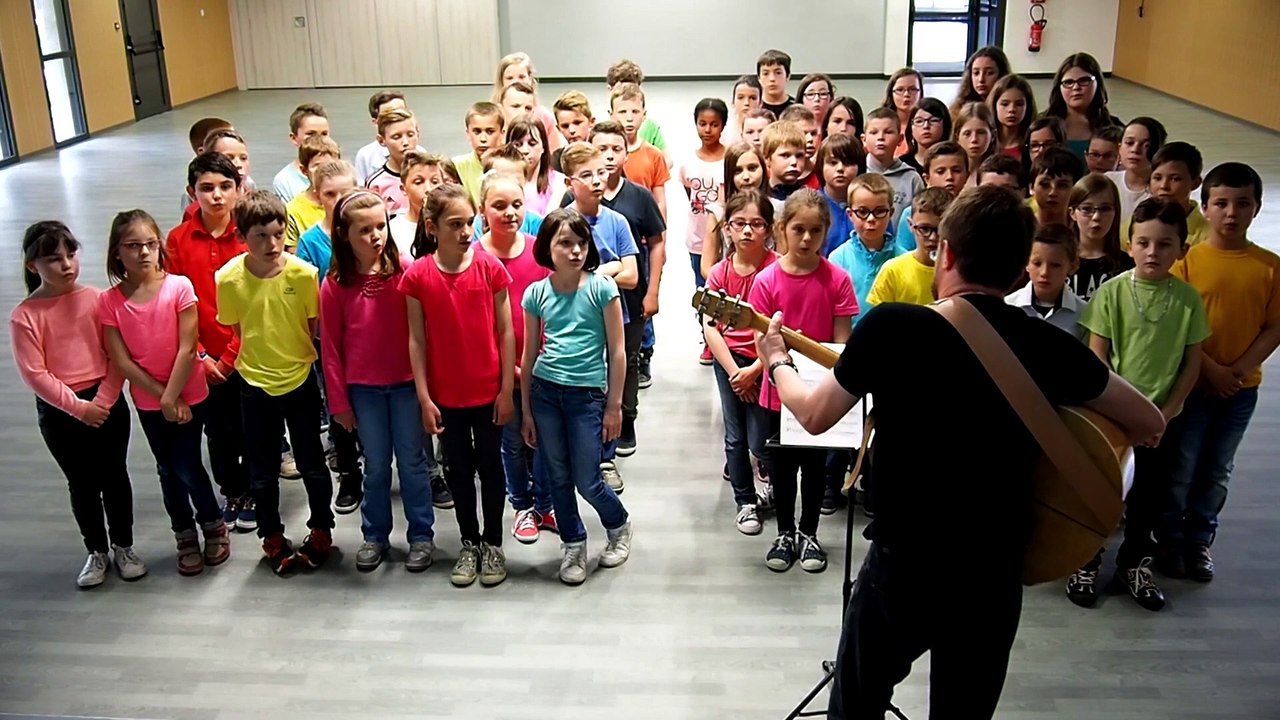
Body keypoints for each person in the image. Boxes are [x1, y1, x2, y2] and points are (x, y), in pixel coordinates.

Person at [756, 184, 1164, 719]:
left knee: (858, 701)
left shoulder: (893, 326)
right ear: (1020, 271)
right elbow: (1149, 423)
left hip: (907, 561)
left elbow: (812, 415)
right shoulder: (1048, 345)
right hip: (994, 568)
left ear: (945, 253)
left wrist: (777, 359)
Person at [1064, 198, 1209, 611]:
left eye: (1164, 244)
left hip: (1163, 423)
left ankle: (1135, 565)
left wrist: (1161, 416)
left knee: (1149, 498)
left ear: (1181, 248)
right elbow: (1097, 361)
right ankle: (1086, 561)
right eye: (1143, 242)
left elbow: (1192, 363)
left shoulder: (1187, 300)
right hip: (1112, 421)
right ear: (1129, 244)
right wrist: (1123, 416)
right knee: (1103, 493)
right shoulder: (1111, 293)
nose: (1152, 252)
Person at [1162, 162, 1280, 582]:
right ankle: (1170, 539)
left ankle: (1199, 541)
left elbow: (1273, 326)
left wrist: (1239, 370)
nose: (1231, 213)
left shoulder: (1269, 266)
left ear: (1257, 209)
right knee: (1183, 463)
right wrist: (1210, 369)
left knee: (1217, 468)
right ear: (1205, 208)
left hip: (1240, 390)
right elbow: (1175, 322)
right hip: (1195, 383)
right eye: (1222, 204)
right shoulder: (1188, 261)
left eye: (1242, 204)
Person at [11, 221, 142, 589]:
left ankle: (123, 546)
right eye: (54, 258)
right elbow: (35, 374)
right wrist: (78, 408)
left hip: (106, 402)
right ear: (32, 265)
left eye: (71, 255)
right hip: (61, 413)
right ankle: (96, 550)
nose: (67, 264)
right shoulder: (25, 316)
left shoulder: (97, 299)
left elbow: (117, 355)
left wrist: (103, 399)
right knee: (82, 483)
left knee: (115, 476)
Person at [100, 210, 228, 577]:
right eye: (133, 246)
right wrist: (162, 397)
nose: (143, 252)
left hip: (189, 392)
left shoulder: (179, 287)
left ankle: (212, 523)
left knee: (186, 463)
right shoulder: (109, 302)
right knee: (167, 469)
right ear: (117, 252)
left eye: (150, 244)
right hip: (150, 400)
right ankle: (183, 531)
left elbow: (188, 348)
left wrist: (174, 396)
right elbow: (121, 360)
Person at [401, 184, 515, 588]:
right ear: (432, 228)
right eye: (455, 224)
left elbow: (505, 330)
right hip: (446, 396)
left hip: (487, 392)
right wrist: (423, 396)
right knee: (459, 471)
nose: (466, 231)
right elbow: (416, 339)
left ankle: (494, 542)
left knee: (490, 465)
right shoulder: (417, 276)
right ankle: (470, 542)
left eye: (470, 222)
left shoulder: (489, 268)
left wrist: (505, 389)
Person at [215, 190, 334, 575]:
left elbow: (310, 326)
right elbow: (236, 328)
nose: (271, 244)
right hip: (254, 385)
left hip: (299, 380)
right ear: (242, 237)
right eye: (260, 236)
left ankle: (320, 528)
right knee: (262, 469)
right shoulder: (228, 278)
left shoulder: (304, 274)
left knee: (313, 463)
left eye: (277, 234)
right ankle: (272, 535)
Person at [320, 190, 435, 573]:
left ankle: (421, 535)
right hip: (364, 391)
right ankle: (375, 535)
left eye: (380, 227)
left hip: (404, 385)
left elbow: (422, 332)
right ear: (344, 234)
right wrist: (339, 403)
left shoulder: (403, 269)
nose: (375, 236)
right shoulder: (335, 284)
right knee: (376, 466)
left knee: (414, 463)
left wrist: (425, 389)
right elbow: (331, 349)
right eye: (364, 229)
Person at [520, 208, 633, 585]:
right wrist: (526, 412)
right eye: (564, 243)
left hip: (587, 396)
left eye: (581, 243)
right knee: (556, 476)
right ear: (547, 249)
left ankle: (617, 525)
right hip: (546, 392)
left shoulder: (603, 288)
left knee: (588, 478)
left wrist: (614, 406)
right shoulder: (536, 293)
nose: (575, 251)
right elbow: (529, 353)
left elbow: (618, 352)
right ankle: (573, 542)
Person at [750, 189, 857, 573]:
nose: (807, 239)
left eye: (816, 230)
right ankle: (784, 531)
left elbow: (841, 344)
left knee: (814, 469)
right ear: (782, 230)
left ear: (827, 231)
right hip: (777, 393)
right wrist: (778, 368)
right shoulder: (766, 281)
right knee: (782, 467)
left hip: (822, 392)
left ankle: (809, 532)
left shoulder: (838, 279)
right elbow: (761, 341)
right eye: (799, 230)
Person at [165, 152, 254, 527]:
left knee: (252, 427)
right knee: (218, 432)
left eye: (225, 187)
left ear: (238, 190)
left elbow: (254, 301)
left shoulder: (250, 234)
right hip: (201, 357)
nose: (217, 195)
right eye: (207, 188)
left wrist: (231, 354)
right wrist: (201, 355)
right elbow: (172, 301)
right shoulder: (177, 240)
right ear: (192, 192)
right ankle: (231, 491)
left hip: (248, 352)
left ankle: (253, 490)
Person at [474, 173, 556, 544]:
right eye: (499, 205)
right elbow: (480, 323)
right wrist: (512, 369)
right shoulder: (475, 258)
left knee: (542, 435)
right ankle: (521, 505)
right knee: (510, 439)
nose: (510, 213)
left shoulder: (539, 251)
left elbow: (552, 308)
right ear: (482, 210)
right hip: (500, 370)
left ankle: (545, 503)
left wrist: (540, 361)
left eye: (517, 204)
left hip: (542, 366)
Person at [574, 124, 666, 451]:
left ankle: (626, 419)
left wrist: (652, 290)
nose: (609, 156)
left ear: (627, 152)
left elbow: (655, 245)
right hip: (583, 307)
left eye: (616, 148)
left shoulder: (638, 198)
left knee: (625, 359)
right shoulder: (570, 204)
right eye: (602, 149)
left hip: (630, 301)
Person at [560, 142, 640, 490]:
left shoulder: (617, 222)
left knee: (610, 388)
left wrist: (595, 274)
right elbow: (558, 272)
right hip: (572, 323)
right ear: (569, 182)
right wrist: (608, 267)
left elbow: (632, 275)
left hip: (611, 321)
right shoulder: (563, 222)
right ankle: (577, 453)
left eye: (601, 173)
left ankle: (605, 458)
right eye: (586, 175)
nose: (596, 181)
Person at [703, 191, 777, 536]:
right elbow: (709, 326)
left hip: (767, 363)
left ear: (769, 228)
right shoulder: (719, 273)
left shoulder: (777, 268)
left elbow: (783, 328)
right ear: (728, 229)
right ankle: (745, 500)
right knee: (735, 436)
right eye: (739, 224)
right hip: (730, 363)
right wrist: (735, 371)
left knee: (763, 437)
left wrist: (755, 370)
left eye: (756, 224)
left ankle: (774, 489)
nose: (747, 231)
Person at [699, 142, 779, 280]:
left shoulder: (778, 210)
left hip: (768, 288)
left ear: (764, 169)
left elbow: (782, 262)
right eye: (738, 171)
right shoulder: (718, 213)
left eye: (752, 168)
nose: (746, 176)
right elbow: (706, 266)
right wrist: (726, 282)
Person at [867, 187, 952, 307]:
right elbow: (880, 321)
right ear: (911, 225)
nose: (933, 238)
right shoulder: (893, 271)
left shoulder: (960, 273)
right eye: (924, 229)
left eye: (940, 229)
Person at [830, 174, 898, 319]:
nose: (871, 219)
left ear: (891, 213)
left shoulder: (902, 258)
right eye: (862, 212)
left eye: (879, 211)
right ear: (850, 214)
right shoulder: (838, 259)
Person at [1005, 222, 1087, 340]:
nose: (1044, 272)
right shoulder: (1008, 306)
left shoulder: (1083, 314)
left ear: (1073, 266)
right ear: (1026, 262)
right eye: (1037, 263)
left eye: (1055, 265)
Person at [679, 99, 728, 287]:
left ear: (722, 125)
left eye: (714, 124)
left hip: (726, 239)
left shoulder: (731, 158)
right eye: (702, 124)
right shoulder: (688, 162)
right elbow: (689, 193)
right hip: (697, 239)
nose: (708, 130)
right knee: (704, 290)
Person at [1068, 173, 1132, 301]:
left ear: (1115, 211)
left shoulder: (1127, 266)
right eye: (1087, 209)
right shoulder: (1059, 262)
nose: (1096, 217)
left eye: (1105, 209)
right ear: (1072, 213)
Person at [893, 141, 967, 253]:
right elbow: (902, 253)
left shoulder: (972, 214)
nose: (949, 177)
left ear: (967, 175)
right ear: (927, 178)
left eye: (956, 171)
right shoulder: (912, 213)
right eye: (941, 172)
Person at [1043, 52, 1118, 160]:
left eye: (1084, 80)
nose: (1076, 87)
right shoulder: (1044, 125)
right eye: (1068, 82)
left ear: (1097, 83)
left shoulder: (1113, 126)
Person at [611, 83, 669, 219]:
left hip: (643, 228)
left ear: (644, 115)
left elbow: (660, 201)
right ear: (612, 115)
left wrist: (662, 234)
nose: (629, 118)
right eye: (622, 112)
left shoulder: (654, 155)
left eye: (635, 112)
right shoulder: (602, 154)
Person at [862, 107, 923, 220]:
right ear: (864, 139)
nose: (880, 137)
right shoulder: (857, 172)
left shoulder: (912, 178)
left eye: (888, 132)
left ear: (900, 139)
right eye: (874, 132)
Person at [493, 52, 560, 152]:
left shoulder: (544, 116)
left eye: (521, 77)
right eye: (509, 78)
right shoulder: (493, 116)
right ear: (501, 81)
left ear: (530, 78)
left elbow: (554, 153)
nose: (516, 81)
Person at [284, 135, 341, 251]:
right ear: (304, 170)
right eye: (318, 166)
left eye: (331, 166)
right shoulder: (292, 210)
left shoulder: (349, 202)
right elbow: (295, 258)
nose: (326, 172)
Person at [1147, 142, 1208, 248]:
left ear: (1195, 183)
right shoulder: (1132, 224)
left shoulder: (1208, 236)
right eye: (1157, 178)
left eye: (1175, 179)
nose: (1164, 186)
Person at [388, 151, 450, 255]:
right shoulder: (392, 230)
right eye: (418, 182)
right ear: (403, 189)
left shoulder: (452, 226)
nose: (429, 189)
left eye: (435, 182)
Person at [1105, 117, 1167, 220]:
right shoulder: (1108, 181)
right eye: (1129, 143)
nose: (1135, 150)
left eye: (1146, 145)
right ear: (1119, 148)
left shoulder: (1162, 191)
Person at [604, 58, 667, 155]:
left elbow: (667, 159)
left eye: (633, 88)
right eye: (621, 88)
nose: (627, 93)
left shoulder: (650, 126)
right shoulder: (601, 129)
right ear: (609, 89)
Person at [507, 115, 566, 217]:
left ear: (543, 147)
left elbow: (548, 224)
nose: (525, 151)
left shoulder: (559, 181)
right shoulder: (499, 183)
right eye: (518, 144)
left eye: (532, 143)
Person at [365, 108, 420, 215]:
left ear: (418, 134)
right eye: (396, 137)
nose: (405, 142)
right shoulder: (376, 183)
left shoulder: (432, 174)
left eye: (410, 134)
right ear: (381, 140)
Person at [816, 133, 864, 257]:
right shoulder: (811, 205)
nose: (840, 169)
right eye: (833, 163)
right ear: (821, 166)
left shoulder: (871, 205)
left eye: (848, 163)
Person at [272, 103, 330, 202]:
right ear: (294, 138)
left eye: (324, 134)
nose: (319, 140)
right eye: (310, 134)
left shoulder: (342, 172)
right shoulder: (283, 181)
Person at [453, 101, 505, 204]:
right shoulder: (456, 166)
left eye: (490, 131)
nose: (483, 139)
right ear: (468, 133)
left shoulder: (511, 166)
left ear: (501, 134)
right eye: (477, 131)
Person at [354, 90, 406, 184]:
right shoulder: (365, 156)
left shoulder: (420, 152)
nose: (398, 119)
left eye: (402, 112)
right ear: (375, 122)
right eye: (390, 115)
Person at [950, 45, 1011, 118]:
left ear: (1001, 74)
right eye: (976, 73)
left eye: (989, 73)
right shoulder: (959, 110)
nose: (981, 79)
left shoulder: (1010, 109)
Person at [1031, 148, 1086, 227]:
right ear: (1031, 187)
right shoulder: (1020, 228)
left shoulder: (1084, 229)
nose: (1052, 192)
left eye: (1062, 185)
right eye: (1044, 184)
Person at [988, 74, 1035, 160]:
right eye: (1005, 104)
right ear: (995, 105)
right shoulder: (986, 142)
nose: (1011, 109)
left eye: (1019, 104)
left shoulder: (1033, 143)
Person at [899, 97, 951, 174]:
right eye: (919, 121)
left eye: (933, 120)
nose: (926, 126)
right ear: (911, 127)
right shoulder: (901, 165)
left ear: (945, 125)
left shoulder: (954, 161)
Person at [953, 101, 998, 187]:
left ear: (992, 135)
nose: (974, 139)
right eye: (967, 134)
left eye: (981, 132)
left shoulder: (1000, 174)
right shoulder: (948, 174)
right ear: (957, 137)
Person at [881, 68, 924, 157]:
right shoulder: (880, 123)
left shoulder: (927, 125)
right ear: (891, 94)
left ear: (921, 92)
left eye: (912, 89)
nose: (906, 95)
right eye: (900, 90)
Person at [778, 105, 822, 189]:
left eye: (813, 133)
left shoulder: (822, 174)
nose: (810, 139)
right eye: (803, 133)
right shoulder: (768, 174)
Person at [764, 122, 808, 203]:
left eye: (799, 156)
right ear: (767, 158)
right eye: (785, 155)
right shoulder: (760, 198)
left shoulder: (809, 199)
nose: (794, 162)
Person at [551, 90, 594, 173]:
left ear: (591, 121)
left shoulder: (602, 152)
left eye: (577, 123)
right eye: (565, 126)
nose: (572, 131)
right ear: (558, 128)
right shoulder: (556, 160)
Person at [724, 75, 763, 144]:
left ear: (761, 103)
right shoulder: (723, 129)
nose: (746, 103)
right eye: (740, 97)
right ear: (733, 101)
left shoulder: (768, 128)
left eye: (753, 98)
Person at [756, 49, 796, 116]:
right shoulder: (754, 109)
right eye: (765, 73)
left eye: (778, 73)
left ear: (788, 76)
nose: (772, 79)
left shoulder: (797, 108)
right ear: (759, 78)